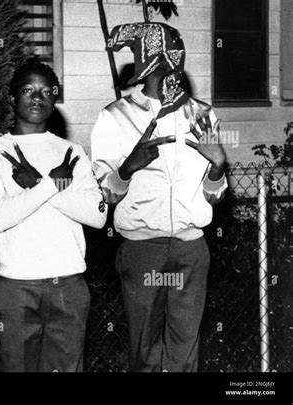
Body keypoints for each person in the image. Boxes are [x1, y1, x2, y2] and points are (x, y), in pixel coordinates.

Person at [91, 23, 228, 372]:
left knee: (185, 349)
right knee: (145, 350)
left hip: (190, 249)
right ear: (148, 60)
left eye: (179, 52)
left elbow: (213, 197)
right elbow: (104, 195)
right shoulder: (114, 117)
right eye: (169, 53)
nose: (177, 62)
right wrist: (127, 168)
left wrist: (218, 167)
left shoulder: (201, 115)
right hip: (143, 251)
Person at [0, 60, 107, 372]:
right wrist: (50, 185)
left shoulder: (72, 151)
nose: (37, 97)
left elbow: (97, 216)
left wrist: (37, 184)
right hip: (17, 286)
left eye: (46, 91)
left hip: (69, 285)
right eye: (28, 90)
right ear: (12, 98)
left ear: (55, 98)